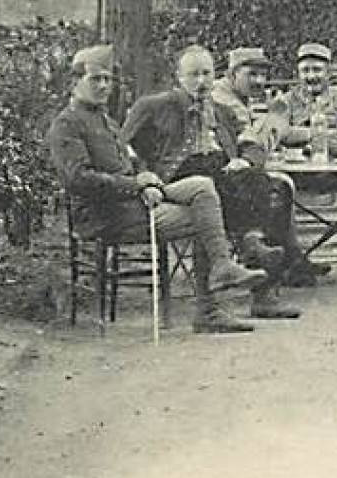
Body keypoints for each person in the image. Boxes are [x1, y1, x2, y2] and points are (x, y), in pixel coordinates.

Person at [45, 45, 266, 330]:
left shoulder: (104, 120)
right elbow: (79, 179)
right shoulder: (67, 124)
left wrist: (145, 176)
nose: (103, 86)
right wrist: (134, 184)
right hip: (106, 213)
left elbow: (129, 159)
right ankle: (208, 311)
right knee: (206, 215)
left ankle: (222, 268)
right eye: (95, 79)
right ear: (75, 83)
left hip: (135, 199)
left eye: (107, 80)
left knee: (203, 188)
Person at [122, 46, 301, 330]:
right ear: (178, 76)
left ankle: (262, 285)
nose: (202, 81)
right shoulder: (154, 105)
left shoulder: (220, 110)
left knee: (271, 185)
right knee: (223, 189)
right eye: (193, 74)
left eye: (207, 74)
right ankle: (249, 252)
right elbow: (125, 149)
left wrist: (244, 159)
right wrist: (143, 176)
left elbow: (251, 142)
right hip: (177, 180)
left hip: (218, 176)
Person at [212, 45, 330, 286]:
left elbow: (262, 136)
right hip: (227, 178)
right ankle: (283, 262)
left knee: (282, 184)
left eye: (263, 75)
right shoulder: (225, 100)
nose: (259, 81)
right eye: (251, 74)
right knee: (278, 185)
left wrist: (307, 132)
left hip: (239, 170)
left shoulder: (238, 97)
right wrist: (278, 119)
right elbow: (258, 140)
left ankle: (291, 259)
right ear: (232, 74)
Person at [278, 42, 337, 154]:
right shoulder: (285, 101)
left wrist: (300, 138)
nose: (311, 77)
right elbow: (280, 134)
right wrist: (319, 133)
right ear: (298, 73)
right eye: (305, 70)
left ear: (328, 73)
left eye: (317, 70)